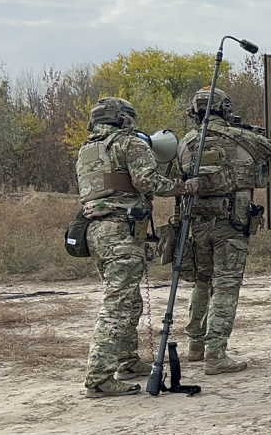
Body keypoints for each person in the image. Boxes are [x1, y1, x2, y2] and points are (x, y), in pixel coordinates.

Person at [75, 97, 200, 397]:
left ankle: (127, 361)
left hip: (97, 232)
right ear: (124, 119)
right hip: (121, 232)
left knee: (130, 301)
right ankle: (99, 377)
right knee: (117, 305)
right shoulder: (129, 143)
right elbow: (149, 182)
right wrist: (186, 186)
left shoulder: (87, 149)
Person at [177, 87, 271, 374]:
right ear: (226, 109)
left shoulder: (186, 142)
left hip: (197, 222)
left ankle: (195, 345)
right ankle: (216, 354)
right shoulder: (239, 138)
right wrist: (238, 131)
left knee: (202, 280)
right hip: (231, 223)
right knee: (225, 285)